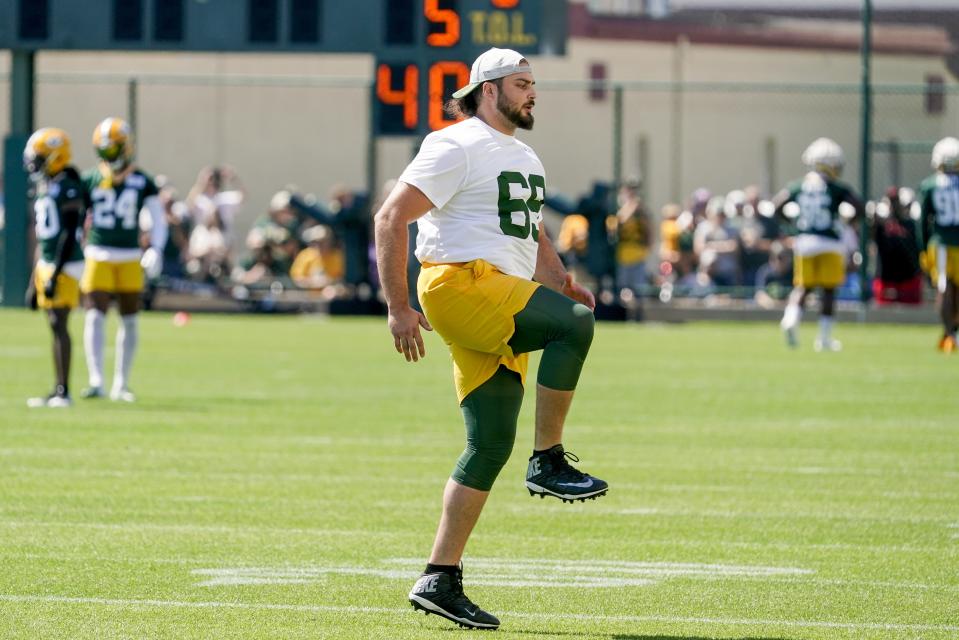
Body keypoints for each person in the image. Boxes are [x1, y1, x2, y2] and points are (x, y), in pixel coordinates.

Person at [373, 47, 608, 631]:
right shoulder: (454, 142)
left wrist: (560, 282)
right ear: (486, 89)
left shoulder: (524, 154)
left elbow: (526, 230)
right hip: (459, 284)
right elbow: (390, 217)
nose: (532, 93)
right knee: (573, 328)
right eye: (521, 83)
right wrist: (397, 307)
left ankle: (438, 575)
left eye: (534, 84)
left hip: (497, 291)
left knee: (490, 441)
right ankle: (549, 460)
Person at [81, 117, 168, 401]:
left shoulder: (143, 180)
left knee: (129, 319)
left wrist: (155, 247)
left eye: (114, 149)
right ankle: (96, 379)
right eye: (105, 150)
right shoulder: (91, 179)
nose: (110, 156)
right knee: (94, 316)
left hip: (130, 255)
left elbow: (157, 219)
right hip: (98, 253)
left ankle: (121, 382)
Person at [774, 137, 863, 351]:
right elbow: (858, 206)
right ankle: (823, 338)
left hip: (804, 242)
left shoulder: (798, 186)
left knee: (803, 286)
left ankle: (791, 318)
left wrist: (793, 227)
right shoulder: (835, 188)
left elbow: (777, 205)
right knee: (829, 290)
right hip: (830, 243)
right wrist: (847, 223)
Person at [23, 128, 90, 408]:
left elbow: (70, 231)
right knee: (54, 325)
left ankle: (64, 392)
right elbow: (44, 236)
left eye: (40, 158)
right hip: (48, 263)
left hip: (66, 262)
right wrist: (34, 278)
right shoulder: (48, 186)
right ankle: (58, 389)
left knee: (58, 323)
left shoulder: (68, 186)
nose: (34, 164)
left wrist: (57, 271)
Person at [917, 136, 959, 352]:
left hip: (941, 242)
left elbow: (923, 222)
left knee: (944, 286)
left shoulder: (930, 185)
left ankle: (950, 334)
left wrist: (923, 249)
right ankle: (953, 333)